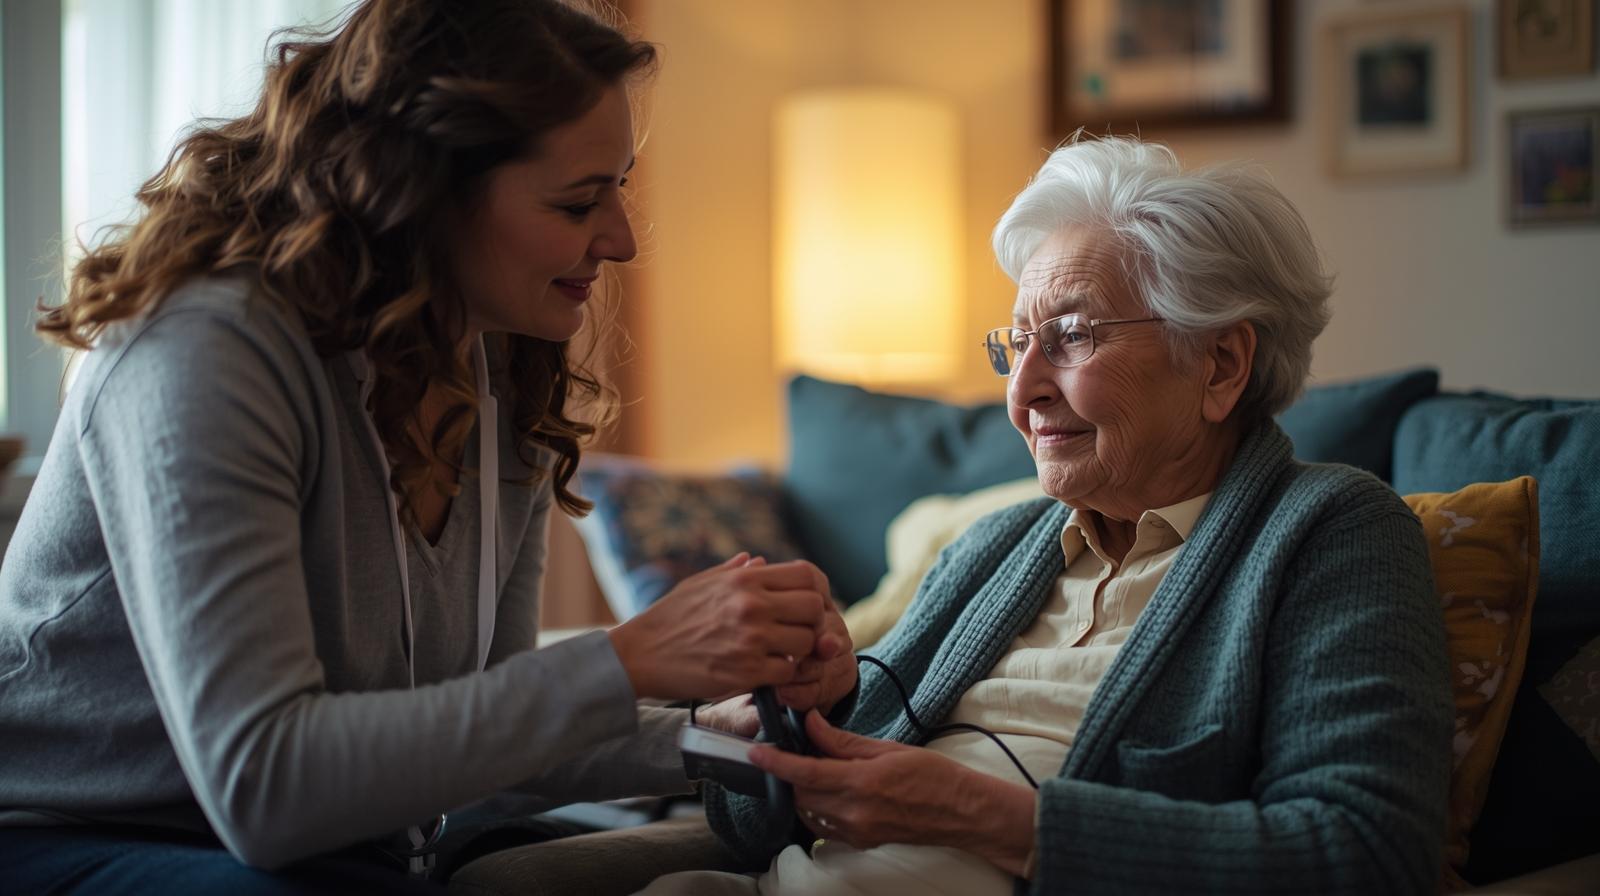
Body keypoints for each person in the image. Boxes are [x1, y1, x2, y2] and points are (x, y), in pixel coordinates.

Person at [0, 1, 855, 892]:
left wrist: (718, 737)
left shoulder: (502, 375)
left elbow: (492, 730)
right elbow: (266, 789)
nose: (621, 239)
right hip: (71, 836)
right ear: (424, 189)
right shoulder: (205, 350)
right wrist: (623, 659)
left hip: (346, 848)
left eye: (620, 188)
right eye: (577, 201)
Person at [649, 136, 1453, 894]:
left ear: (1222, 363)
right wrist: (792, 720)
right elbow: (754, 828)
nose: (1020, 389)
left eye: (1070, 337)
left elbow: (1368, 855)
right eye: (1015, 345)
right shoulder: (994, 547)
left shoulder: (1333, 532)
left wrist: (989, 819)